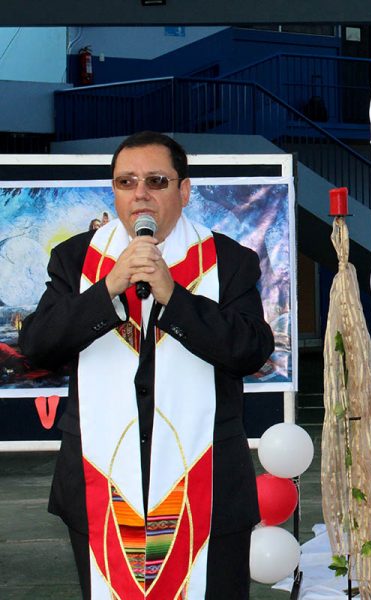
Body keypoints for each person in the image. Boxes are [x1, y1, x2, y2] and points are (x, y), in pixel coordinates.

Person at [20, 131, 274, 599]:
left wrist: (174, 298)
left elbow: (250, 350)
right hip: (100, 484)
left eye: (156, 181)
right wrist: (108, 288)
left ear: (184, 190)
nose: (140, 193)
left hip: (208, 486)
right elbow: (37, 346)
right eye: (126, 181)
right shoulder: (76, 259)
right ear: (113, 191)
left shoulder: (230, 262)